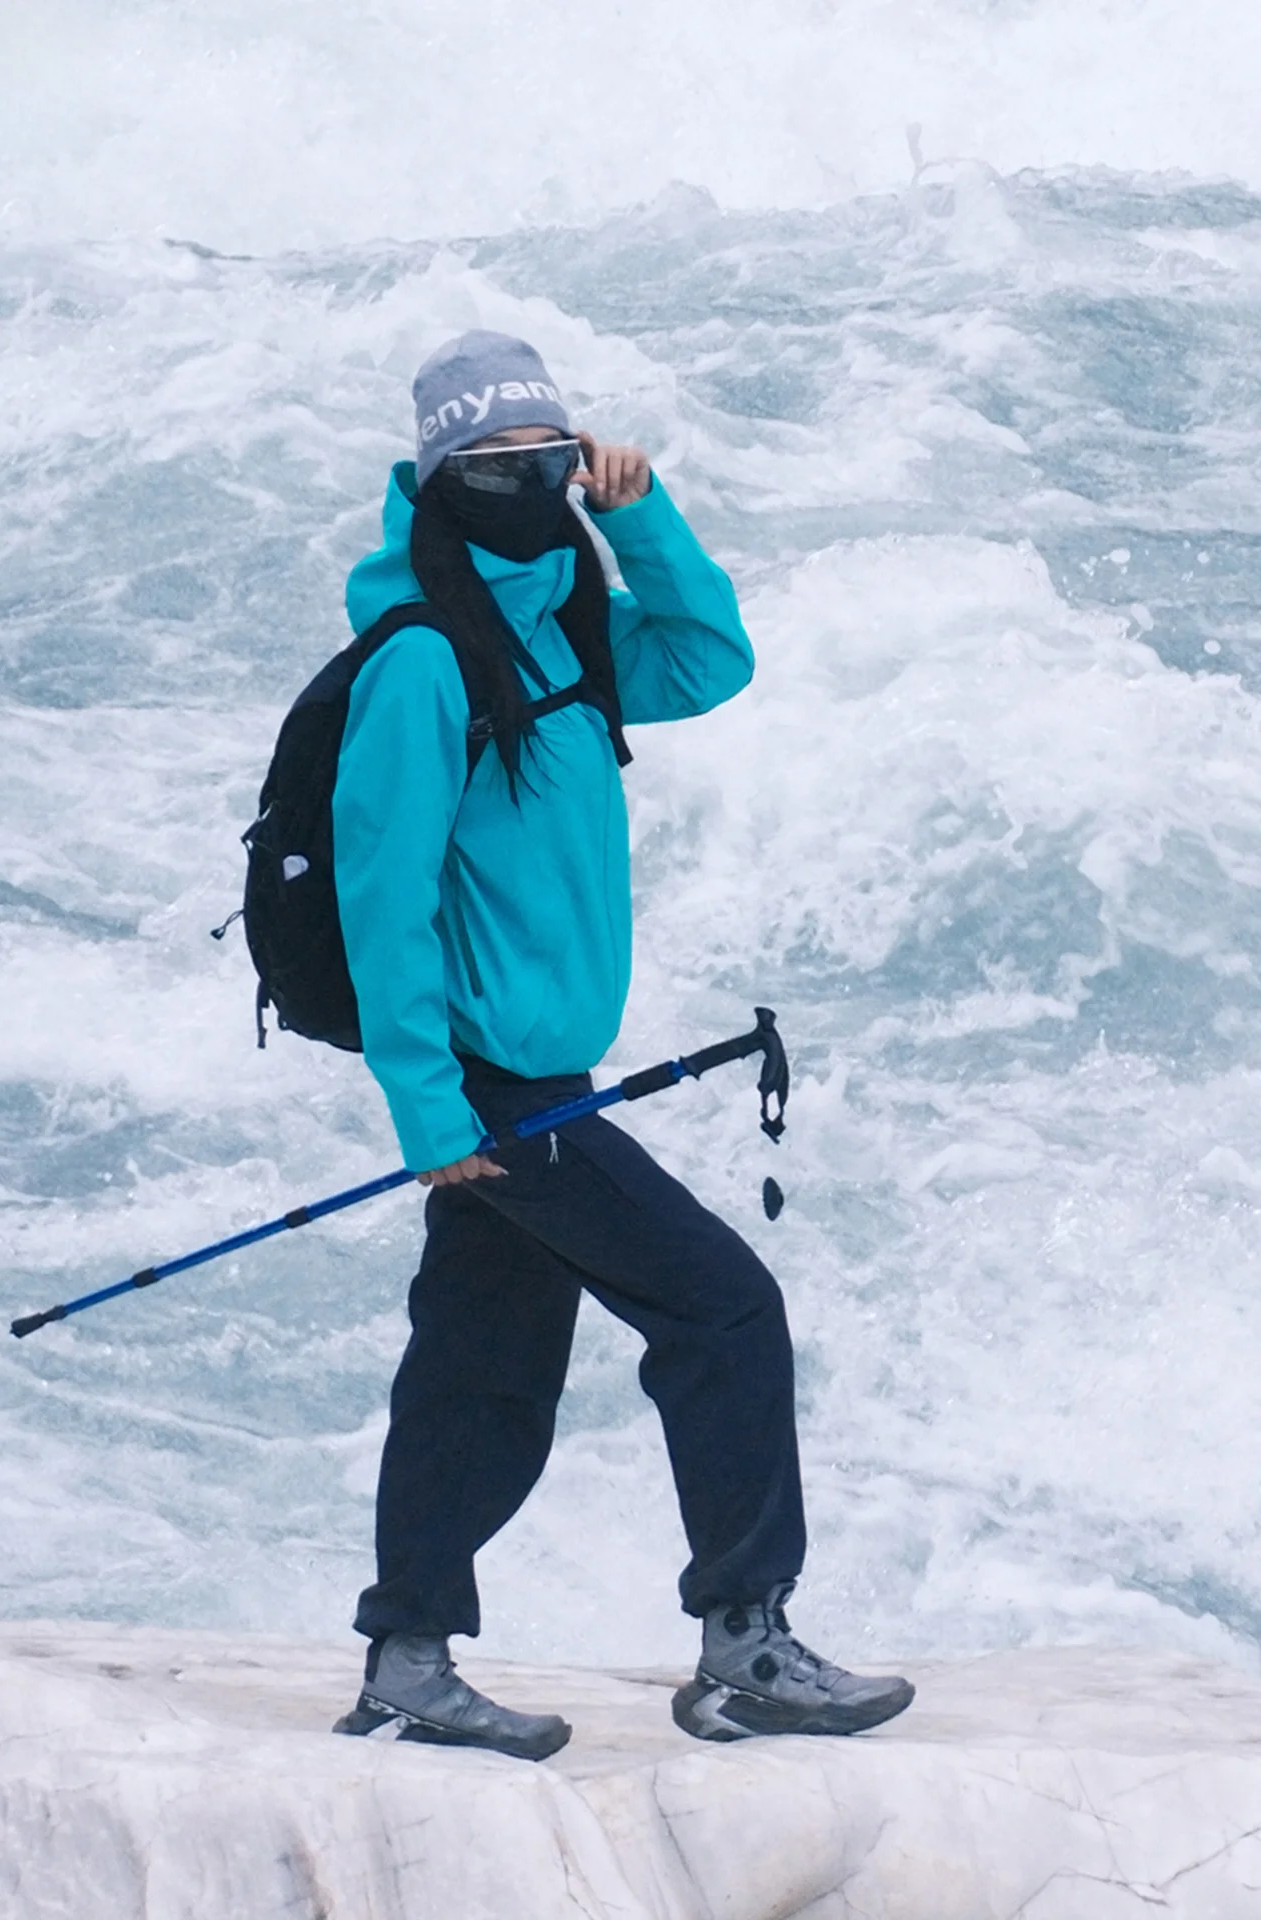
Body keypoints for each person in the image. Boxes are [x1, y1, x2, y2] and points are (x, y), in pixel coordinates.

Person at [329, 330, 913, 1760]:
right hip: (492, 1090)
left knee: (481, 1371)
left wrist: (640, 513)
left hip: (541, 1079)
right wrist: (429, 1111)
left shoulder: (573, 632)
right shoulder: (418, 663)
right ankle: (742, 1649)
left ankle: (407, 1664)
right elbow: (380, 902)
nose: (521, 485)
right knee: (722, 1309)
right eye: (490, 469)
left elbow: (712, 656)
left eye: (545, 460)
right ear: (434, 483)